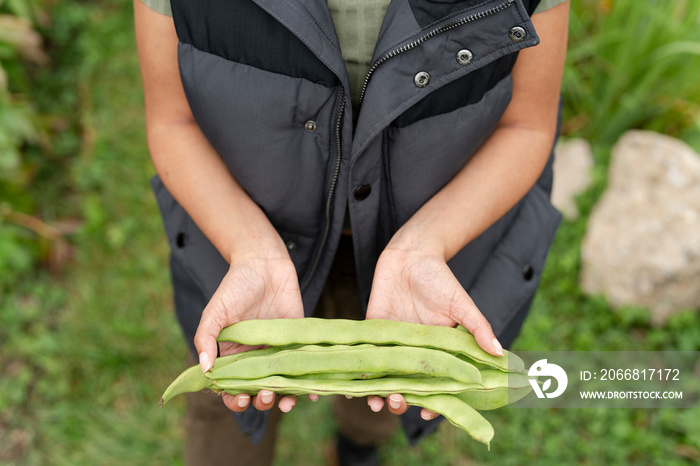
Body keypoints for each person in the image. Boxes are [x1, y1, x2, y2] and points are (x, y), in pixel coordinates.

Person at [134, 0, 569, 464]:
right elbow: (171, 121)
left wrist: (425, 245)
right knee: (231, 397)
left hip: (429, 254)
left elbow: (527, 125)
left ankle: (358, 443)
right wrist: (249, 247)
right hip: (238, 243)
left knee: (384, 391)